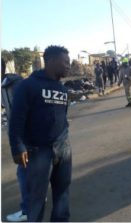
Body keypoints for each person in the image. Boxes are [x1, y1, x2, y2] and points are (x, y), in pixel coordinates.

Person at [8, 45, 72, 222]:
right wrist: (17, 146)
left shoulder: (62, 89)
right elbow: (16, 119)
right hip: (38, 151)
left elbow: (62, 116)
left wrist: (64, 138)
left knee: (62, 193)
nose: (69, 65)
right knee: (36, 198)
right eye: (65, 62)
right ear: (51, 61)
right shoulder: (28, 86)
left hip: (63, 148)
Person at [2, 58, 28, 222]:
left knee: (23, 172)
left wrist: (18, 142)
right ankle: (36, 198)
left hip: (24, 135)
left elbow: (24, 111)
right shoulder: (6, 84)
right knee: (29, 171)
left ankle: (27, 209)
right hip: (21, 133)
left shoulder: (14, 84)